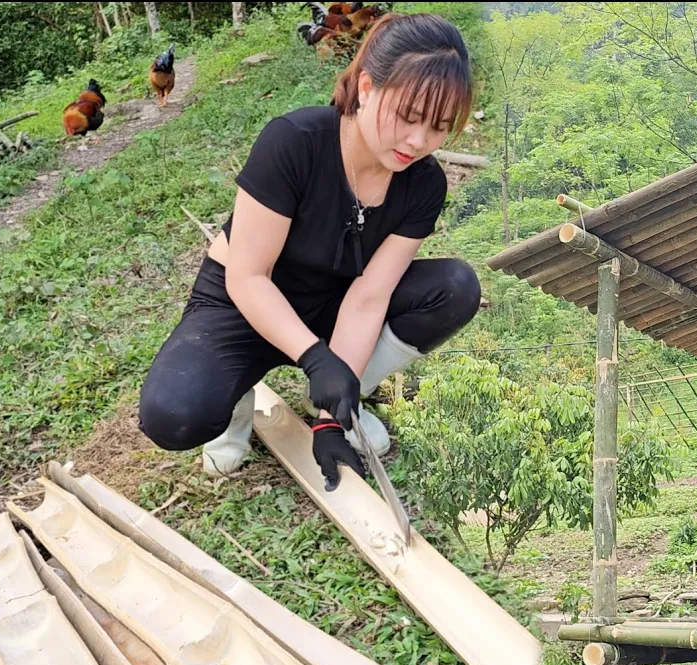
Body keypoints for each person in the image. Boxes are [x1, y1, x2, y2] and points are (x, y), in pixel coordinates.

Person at [138, 12, 481, 490]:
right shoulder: (295, 142)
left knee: (455, 287)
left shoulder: (424, 185)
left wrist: (328, 419)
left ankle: (342, 398)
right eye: (407, 116)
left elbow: (367, 297)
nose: (419, 142)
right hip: (243, 302)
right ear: (366, 88)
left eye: (439, 127)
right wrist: (315, 359)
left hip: (334, 302)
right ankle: (238, 396)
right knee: (172, 416)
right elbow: (247, 277)